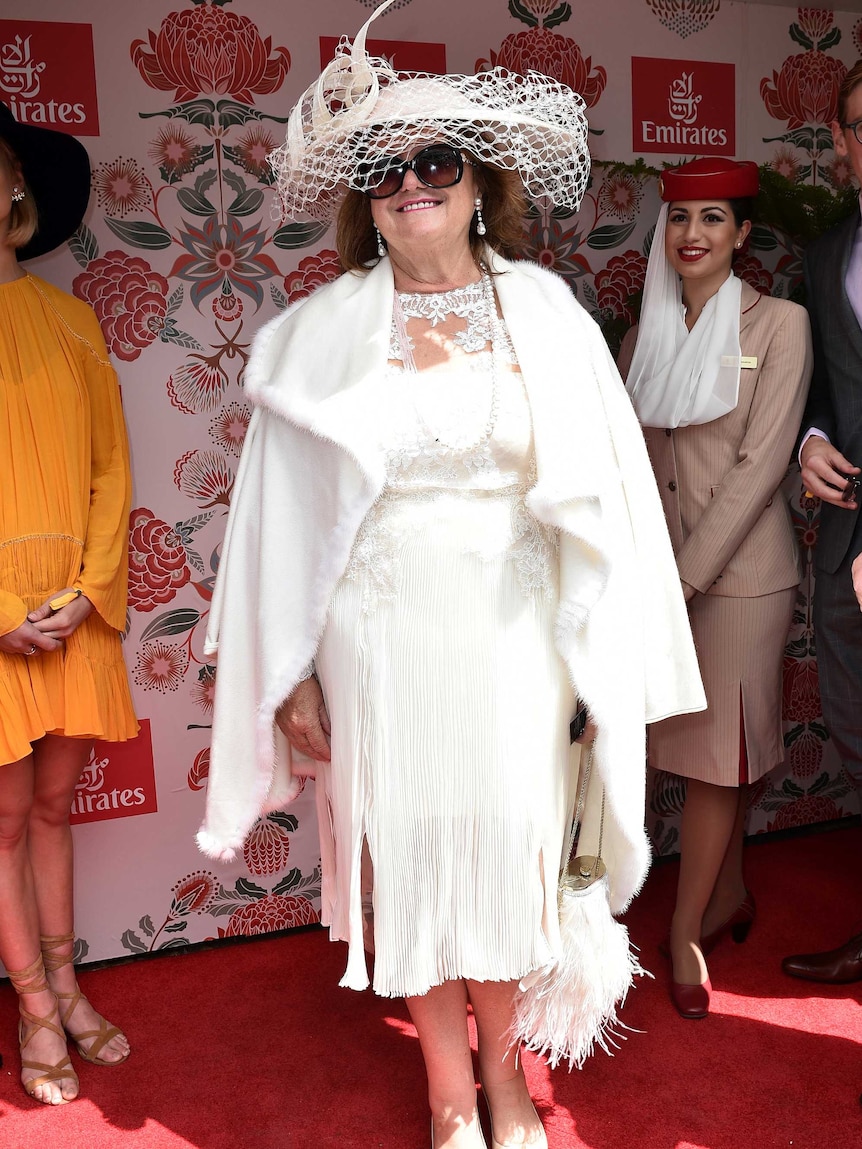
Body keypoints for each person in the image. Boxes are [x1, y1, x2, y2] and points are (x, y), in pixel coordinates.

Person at [199, 3, 703, 1146]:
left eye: (435, 162)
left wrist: (601, 662)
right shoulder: (319, 335)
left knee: (509, 863)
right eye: (385, 169)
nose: (410, 184)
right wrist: (291, 673)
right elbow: (275, 526)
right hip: (376, 644)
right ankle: (447, 1095)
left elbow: (610, 503)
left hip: (519, 642)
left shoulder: (546, 317)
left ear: (479, 185)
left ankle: (509, 1085)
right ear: (364, 200)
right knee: (416, 864)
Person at [620, 158, 813, 1019]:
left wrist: (684, 579)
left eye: (712, 218)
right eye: (679, 217)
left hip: (737, 581)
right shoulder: (642, 337)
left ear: (742, 235)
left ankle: (685, 930)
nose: (691, 233)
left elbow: (761, 466)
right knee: (701, 755)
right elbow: (630, 468)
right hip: (660, 577)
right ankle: (729, 890)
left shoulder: (781, 324)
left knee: (717, 759)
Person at [0, 102, 137, 1104]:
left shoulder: (72, 322)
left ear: (15, 185)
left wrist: (89, 592)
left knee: (54, 809)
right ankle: (36, 1009)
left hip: (73, 610)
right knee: (4, 821)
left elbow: (109, 470)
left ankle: (71, 985)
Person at [783, 60, 862, 986]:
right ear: (841, 140)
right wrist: (809, 442)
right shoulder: (826, 254)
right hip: (843, 545)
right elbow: (829, 391)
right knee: (856, 735)